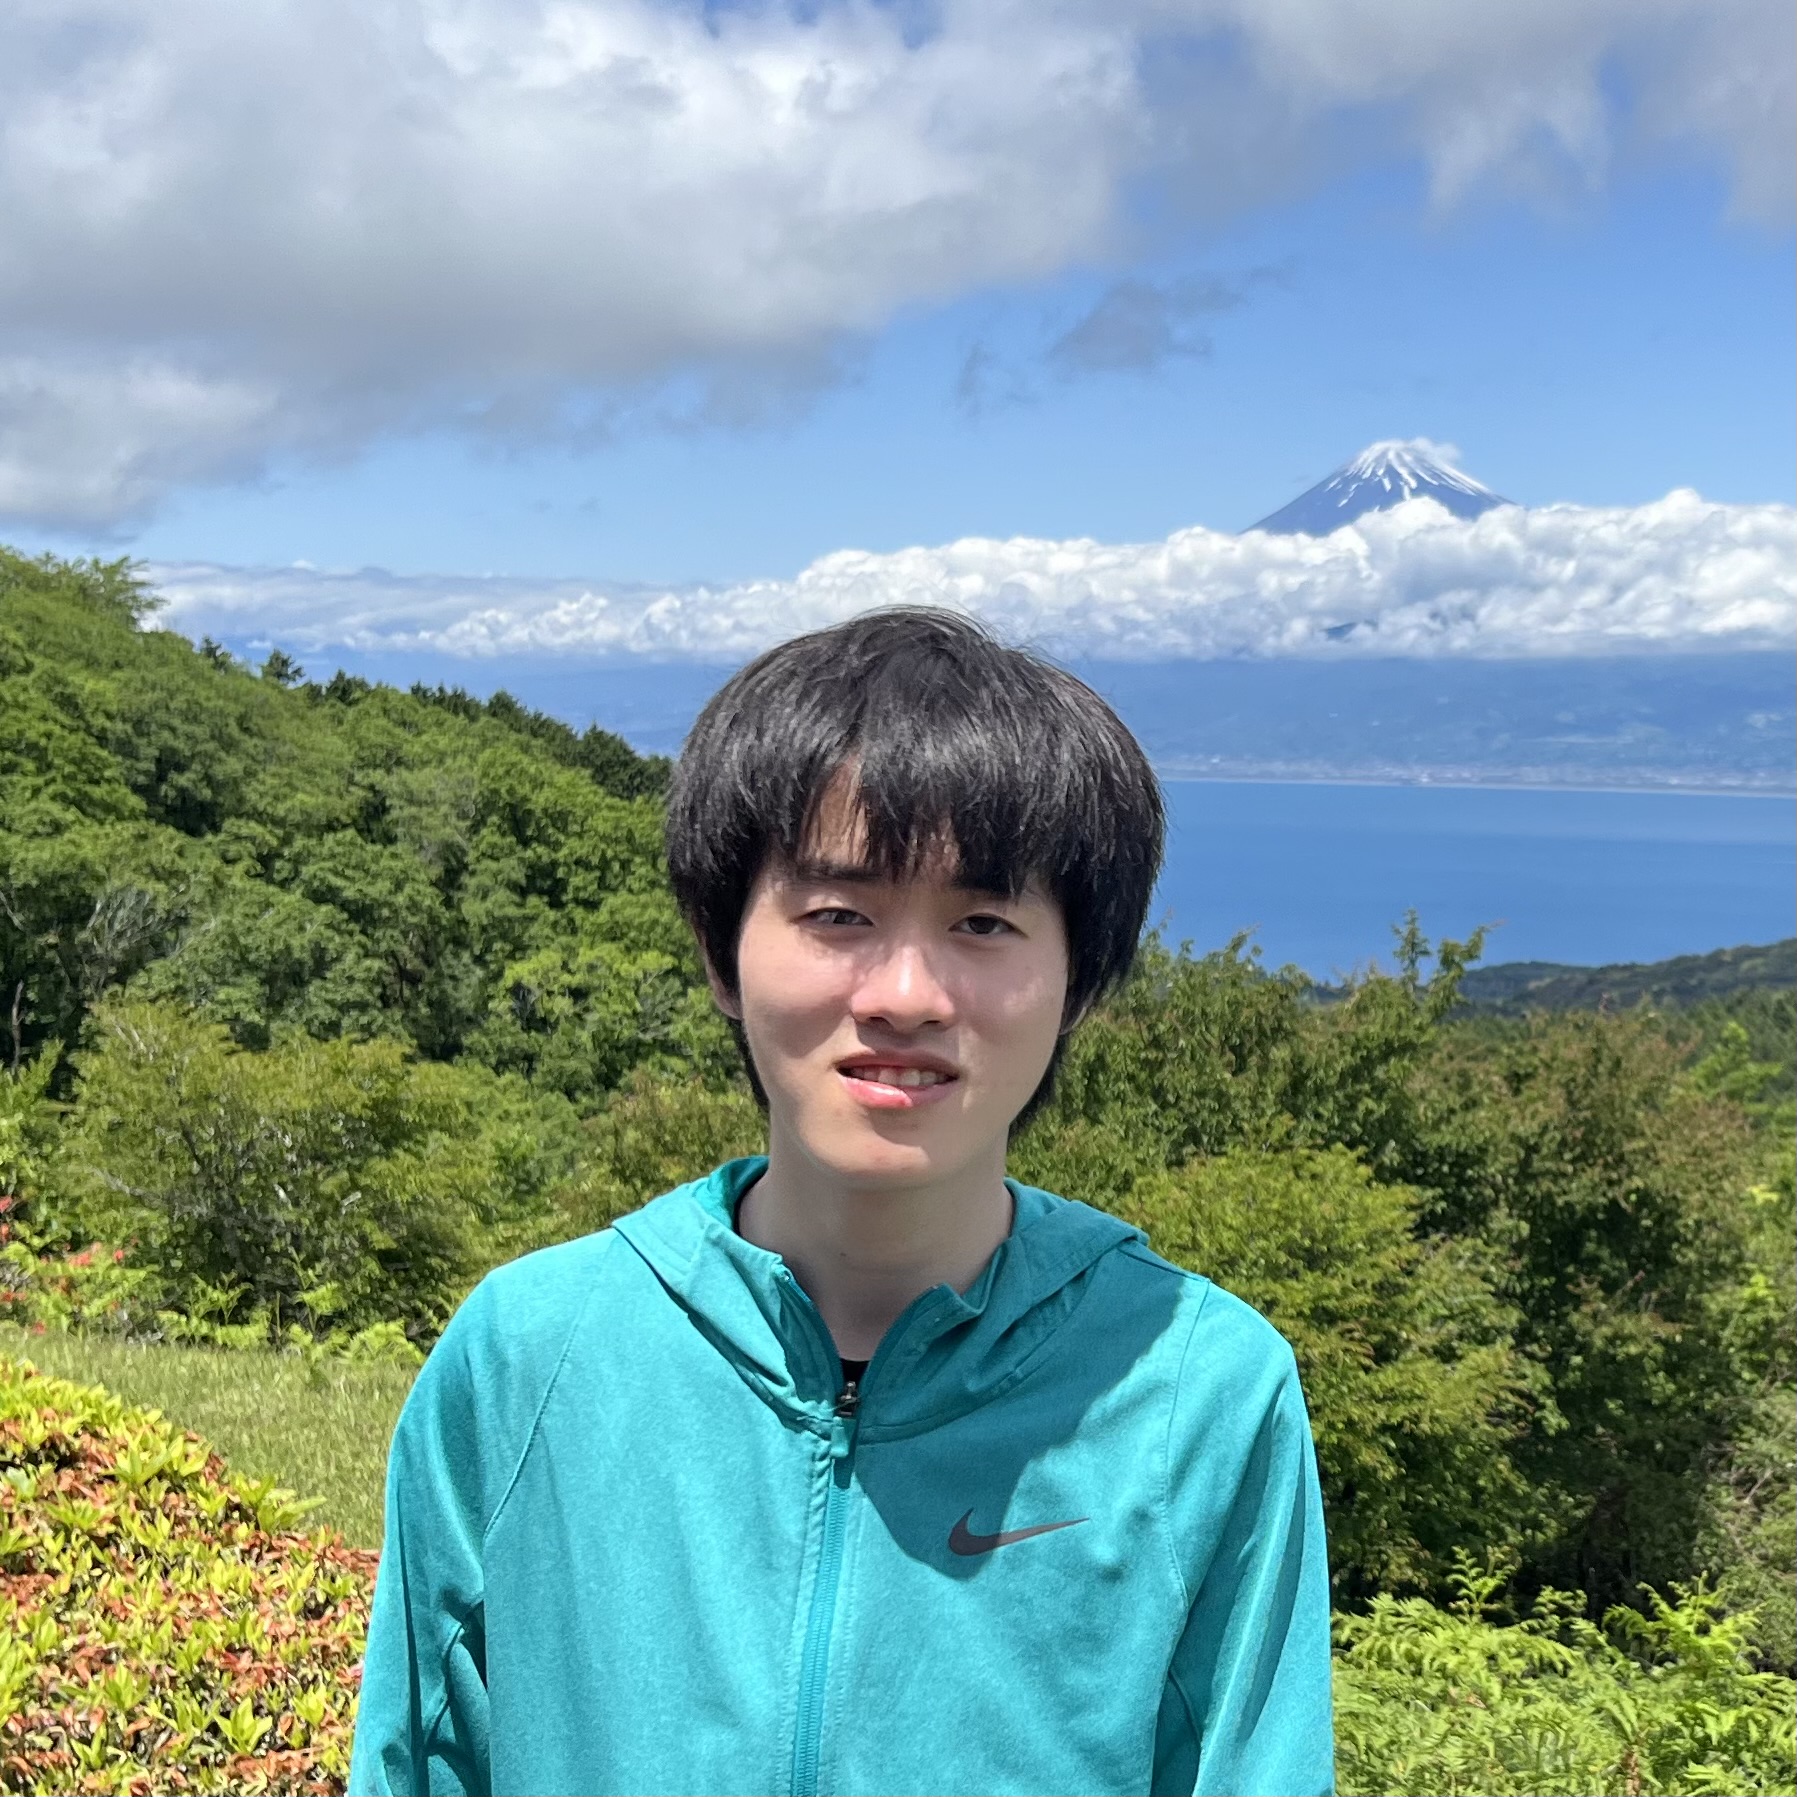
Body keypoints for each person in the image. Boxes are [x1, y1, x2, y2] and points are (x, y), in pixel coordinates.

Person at [349, 609, 1335, 1797]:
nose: (907, 993)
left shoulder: (1195, 1392)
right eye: (838, 916)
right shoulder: (532, 1357)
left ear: (1079, 977)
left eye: (983, 921)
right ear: (722, 953)